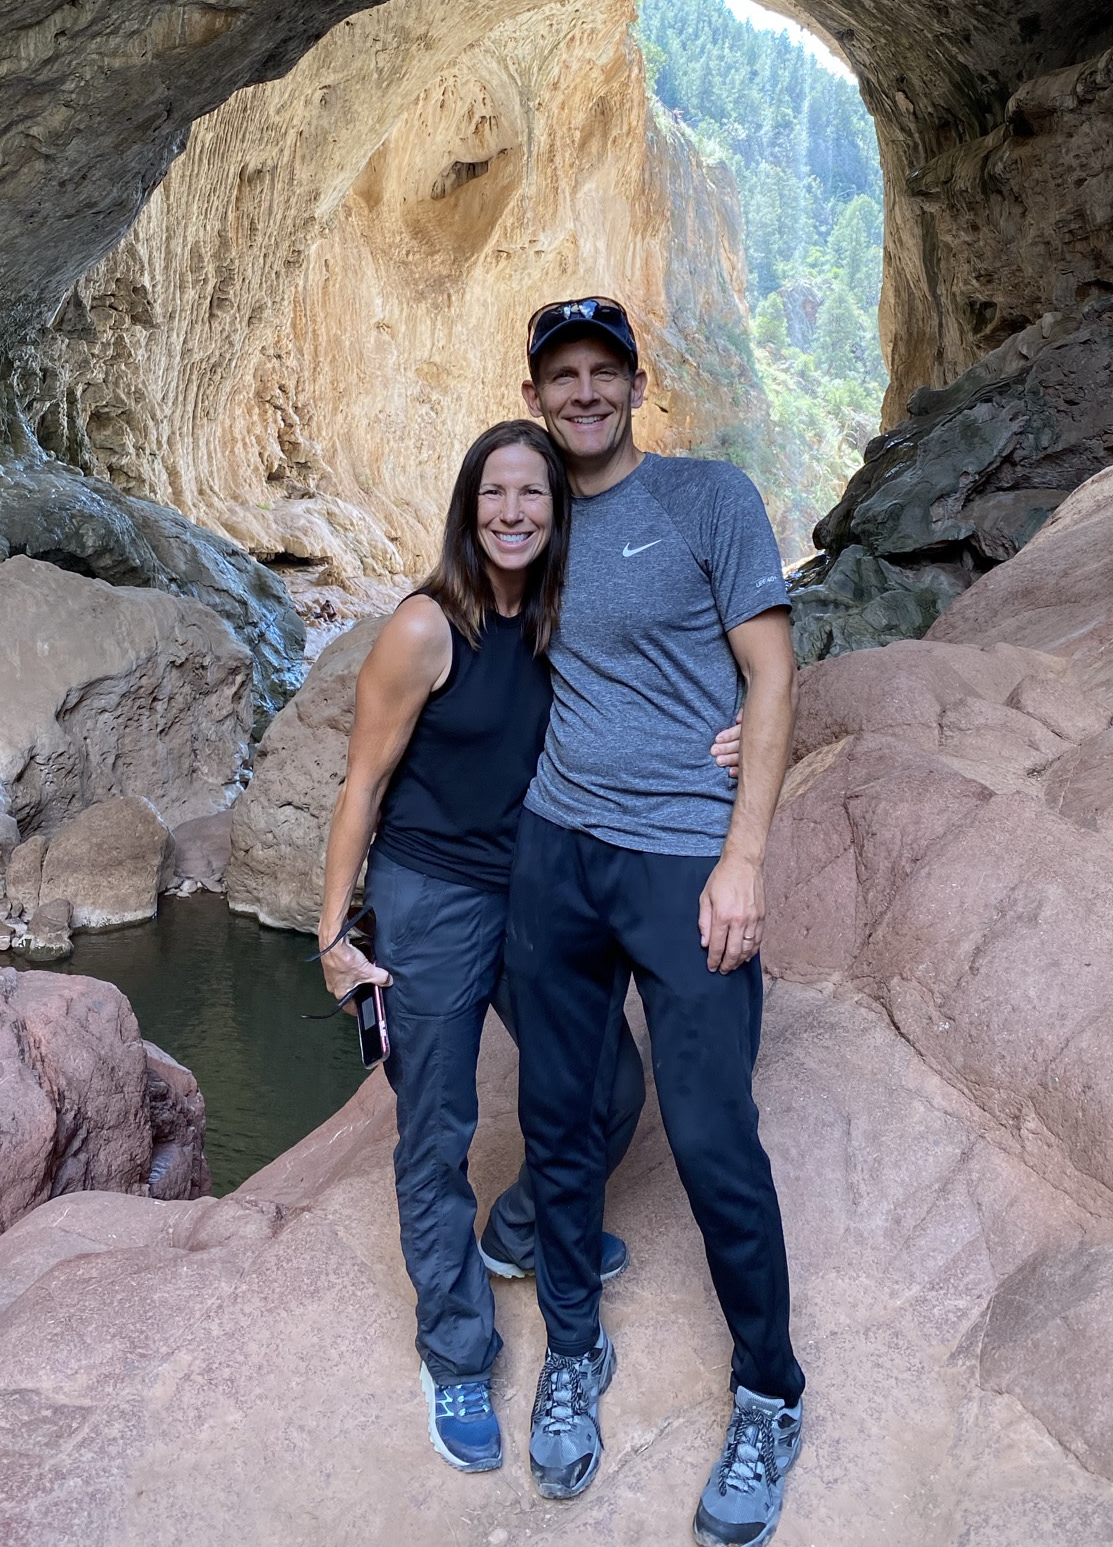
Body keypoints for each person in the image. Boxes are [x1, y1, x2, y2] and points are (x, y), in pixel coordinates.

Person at [316, 418, 741, 1475]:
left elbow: (661, 677)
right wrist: (332, 932)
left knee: (606, 1087)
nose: (512, 512)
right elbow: (361, 783)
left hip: (538, 883)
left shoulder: (561, 616)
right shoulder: (426, 626)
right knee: (438, 1123)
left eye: (534, 495)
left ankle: (523, 1229)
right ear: (469, 506)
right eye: (494, 493)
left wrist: (734, 726)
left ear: (560, 512)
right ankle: (457, 1350)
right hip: (431, 896)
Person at [507, 297, 805, 1547]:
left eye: (602, 371)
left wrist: (744, 852)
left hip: (684, 852)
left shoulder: (708, 500)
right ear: (536, 394)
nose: (583, 392)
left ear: (639, 382)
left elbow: (774, 667)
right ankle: (572, 1348)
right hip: (556, 849)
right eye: (561, 375)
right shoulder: (528, 507)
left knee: (712, 1127)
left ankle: (770, 1392)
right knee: (561, 1113)